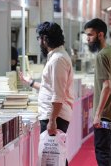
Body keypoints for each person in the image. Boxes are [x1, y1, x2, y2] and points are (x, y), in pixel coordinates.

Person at [19, 22, 74, 165]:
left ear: (44, 38)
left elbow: (58, 94)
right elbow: (49, 88)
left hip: (55, 115)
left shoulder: (58, 60)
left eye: (38, 38)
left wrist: (52, 120)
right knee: (55, 156)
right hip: (54, 114)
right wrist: (30, 82)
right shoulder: (56, 57)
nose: (38, 42)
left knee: (53, 156)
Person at [84, 18, 111, 166]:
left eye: (90, 35)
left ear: (100, 35)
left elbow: (107, 86)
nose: (87, 39)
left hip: (105, 114)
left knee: (103, 152)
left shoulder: (102, 55)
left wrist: (98, 114)